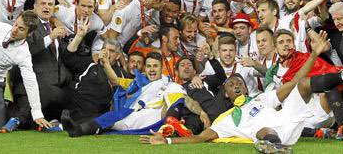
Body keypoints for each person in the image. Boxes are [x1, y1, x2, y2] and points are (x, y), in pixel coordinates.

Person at [140, 31, 331, 150]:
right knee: (263, 131)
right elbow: (200, 138)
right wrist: (168, 142)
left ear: (247, 89)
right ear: (226, 94)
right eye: (231, 85)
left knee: (304, 83)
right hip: (273, 136)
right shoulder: (226, 120)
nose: (237, 85)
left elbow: (294, 81)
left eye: (239, 83)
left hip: (290, 121)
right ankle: (276, 147)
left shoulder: (262, 99)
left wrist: (314, 54)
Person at [60, 52, 186, 136]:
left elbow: (178, 101)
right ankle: (77, 129)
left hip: (153, 117)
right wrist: (106, 64)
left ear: (161, 67)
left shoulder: (167, 83)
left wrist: (202, 113)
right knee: (109, 117)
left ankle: (78, 129)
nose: (152, 69)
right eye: (148, 66)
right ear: (145, 69)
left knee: (112, 117)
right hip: (135, 115)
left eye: (155, 66)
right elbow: (115, 81)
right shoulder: (139, 82)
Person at [3, 0, 69, 132]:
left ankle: (47, 123)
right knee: (38, 102)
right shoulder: (26, 26)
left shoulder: (52, 27)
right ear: (35, 6)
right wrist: (50, 37)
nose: (46, 7)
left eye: (50, 4)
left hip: (54, 86)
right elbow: (24, 50)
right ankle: (18, 120)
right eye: (43, 4)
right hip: (31, 86)